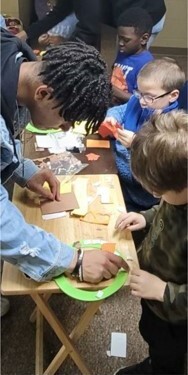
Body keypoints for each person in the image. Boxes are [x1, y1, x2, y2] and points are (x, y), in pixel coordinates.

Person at [0, 29, 126, 306]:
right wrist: (73, 259)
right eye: (66, 119)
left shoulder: (13, 56)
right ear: (44, 93)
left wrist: (21, 168)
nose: (66, 128)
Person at [114, 110, 187, 375]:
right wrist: (146, 217)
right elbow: (166, 207)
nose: (158, 197)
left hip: (177, 317)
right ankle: (155, 364)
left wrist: (162, 291)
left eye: (157, 192)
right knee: (153, 336)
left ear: (157, 189)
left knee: (171, 356)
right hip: (155, 297)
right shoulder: (177, 192)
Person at [105, 58, 185, 212]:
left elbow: (161, 164)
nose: (141, 101)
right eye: (139, 92)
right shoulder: (140, 100)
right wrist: (112, 116)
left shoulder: (172, 126)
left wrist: (137, 143)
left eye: (149, 96)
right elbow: (120, 110)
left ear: (173, 96)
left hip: (142, 195)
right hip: (117, 175)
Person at [26, 0, 166, 50]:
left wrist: (63, 44)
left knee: (124, 69)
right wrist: (26, 33)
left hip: (146, 16)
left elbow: (89, 30)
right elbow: (60, 10)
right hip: (121, 12)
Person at [111, 7, 154, 105]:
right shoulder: (123, 52)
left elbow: (143, 100)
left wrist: (113, 91)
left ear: (144, 39)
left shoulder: (147, 65)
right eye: (119, 38)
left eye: (126, 40)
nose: (120, 43)